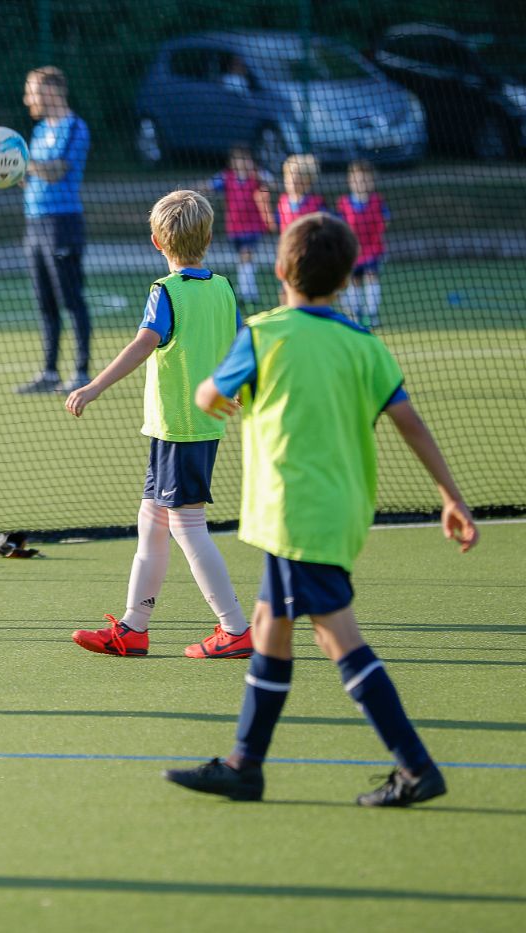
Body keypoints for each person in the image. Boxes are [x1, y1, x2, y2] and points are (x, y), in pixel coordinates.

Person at [164, 212, 477, 807]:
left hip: (292, 516)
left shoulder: (264, 333)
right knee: (268, 631)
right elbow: (410, 421)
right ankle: (244, 765)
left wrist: (215, 396)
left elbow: (207, 395)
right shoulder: (364, 342)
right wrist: (451, 496)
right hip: (338, 513)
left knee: (339, 640)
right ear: (348, 276)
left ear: (280, 269)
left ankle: (416, 767)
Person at [65, 190, 250, 659]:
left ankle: (235, 628)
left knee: (187, 526)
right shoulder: (225, 288)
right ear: (208, 237)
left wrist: (93, 386)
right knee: (151, 521)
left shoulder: (165, 292)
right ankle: (133, 627)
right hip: (191, 429)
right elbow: (239, 343)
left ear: (155, 241)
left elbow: (144, 342)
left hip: (179, 429)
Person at [16, 65, 92, 395]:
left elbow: (56, 171)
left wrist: (18, 160)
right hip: (34, 224)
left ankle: (81, 372)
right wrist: (9, 171)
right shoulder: (37, 132)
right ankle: (49, 372)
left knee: (70, 298)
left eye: (31, 91)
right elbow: (29, 177)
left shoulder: (75, 127)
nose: (26, 98)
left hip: (63, 224)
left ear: (50, 92)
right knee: (44, 301)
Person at [207, 146, 274, 305]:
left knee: (246, 255)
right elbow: (210, 185)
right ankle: (249, 291)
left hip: (253, 226)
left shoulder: (255, 177)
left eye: (246, 159)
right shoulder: (226, 177)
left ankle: (247, 293)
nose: (243, 163)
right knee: (244, 260)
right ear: (232, 162)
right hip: (234, 227)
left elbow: (271, 182)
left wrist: (257, 172)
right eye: (239, 159)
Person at [337, 160, 389, 328]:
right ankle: (356, 313)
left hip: (373, 248)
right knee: (354, 280)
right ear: (350, 181)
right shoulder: (343, 202)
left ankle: (371, 314)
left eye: (365, 180)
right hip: (353, 250)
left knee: (371, 276)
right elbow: (340, 224)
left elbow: (385, 221)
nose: (361, 183)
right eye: (357, 180)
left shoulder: (378, 201)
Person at [276, 154, 326, 231]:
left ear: (308, 181)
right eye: (289, 176)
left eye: (298, 177)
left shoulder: (316, 203)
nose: (292, 180)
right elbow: (274, 226)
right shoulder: (283, 201)